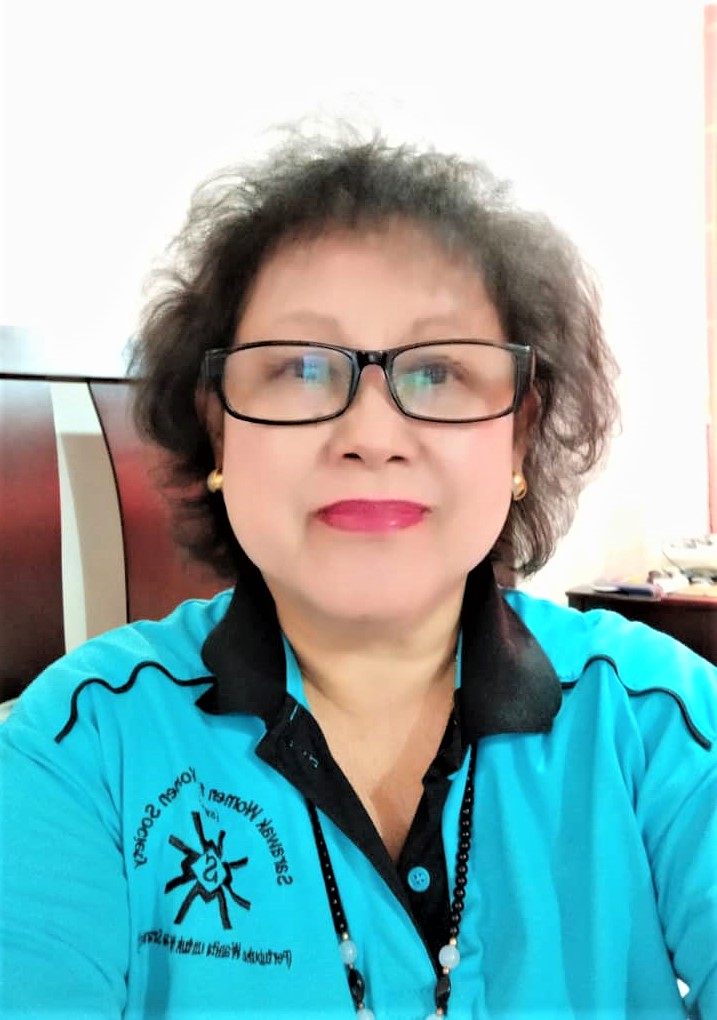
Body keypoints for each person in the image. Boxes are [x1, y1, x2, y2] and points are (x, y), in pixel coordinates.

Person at [1, 130, 715, 1020]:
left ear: (519, 436)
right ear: (218, 432)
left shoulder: (656, 722)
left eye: (439, 371)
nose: (371, 436)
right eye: (301, 368)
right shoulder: (81, 748)